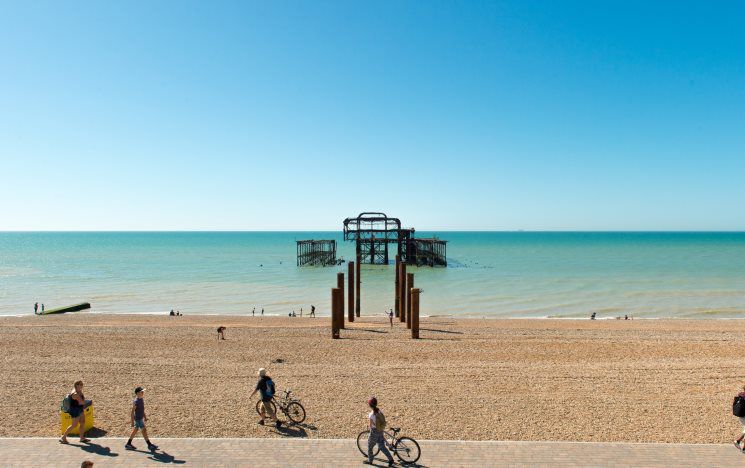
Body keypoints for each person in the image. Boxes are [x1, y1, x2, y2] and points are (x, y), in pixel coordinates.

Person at [126, 387, 158, 451]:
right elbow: (132, 412)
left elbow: (142, 410)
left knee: (135, 430)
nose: (143, 392)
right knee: (144, 430)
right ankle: (149, 445)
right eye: (141, 391)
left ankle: (128, 444)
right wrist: (132, 422)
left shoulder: (141, 399)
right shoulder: (136, 401)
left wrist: (145, 416)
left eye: (143, 391)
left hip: (140, 418)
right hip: (138, 419)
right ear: (137, 393)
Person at [364, 397, 394, 466]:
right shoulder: (379, 411)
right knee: (381, 446)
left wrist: (368, 427)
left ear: (370, 405)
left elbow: (371, 426)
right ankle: (390, 459)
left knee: (370, 447)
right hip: (380, 430)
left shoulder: (371, 414)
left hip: (374, 432)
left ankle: (370, 460)